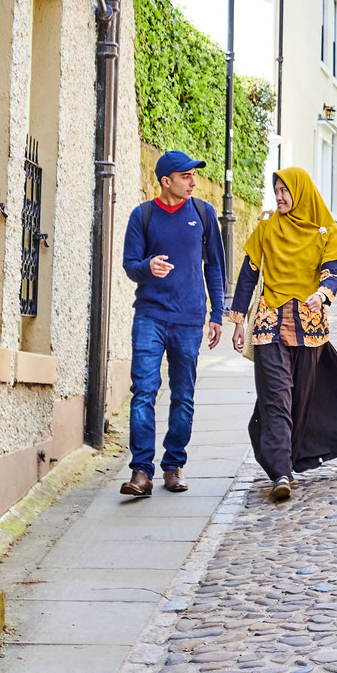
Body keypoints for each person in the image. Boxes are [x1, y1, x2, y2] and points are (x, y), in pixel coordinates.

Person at [229, 165, 337, 503]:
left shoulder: (323, 232)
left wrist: (323, 294)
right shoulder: (267, 229)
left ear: (299, 192)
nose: (280, 197)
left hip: (308, 326)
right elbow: (248, 276)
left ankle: (292, 456)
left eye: (285, 191)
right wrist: (238, 320)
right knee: (276, 397)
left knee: (300, 397)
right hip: (269, 324)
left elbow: (333, 271)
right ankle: (280, 472)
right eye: (277, 191)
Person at [118, 151, 226, 498]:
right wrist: (148, 266)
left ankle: (174, 465)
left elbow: (214, 266)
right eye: (185, 176)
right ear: (166, 181)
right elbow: (130, 265)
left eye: (194, 175)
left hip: (190, 319)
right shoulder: (142, 215)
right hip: (150, 315)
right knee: (143, 393)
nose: (193, 182)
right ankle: (141, 471)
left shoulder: (204, 213)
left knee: (183, 396)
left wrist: (216, 314)